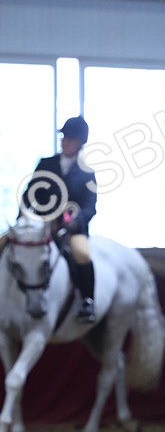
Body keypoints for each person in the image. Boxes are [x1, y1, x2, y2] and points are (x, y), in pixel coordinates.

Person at [20, 116, 97, 322]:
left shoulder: (87, 173)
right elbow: (31, 194)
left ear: (80, 143)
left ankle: (87, 300)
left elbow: (90, 206)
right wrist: (22, 216)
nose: (65, 141)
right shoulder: (46, 164)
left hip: (71, 229)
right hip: (42, 223)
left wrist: (75, 222)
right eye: (64, 137)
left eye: (70, 138)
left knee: (81, 253)